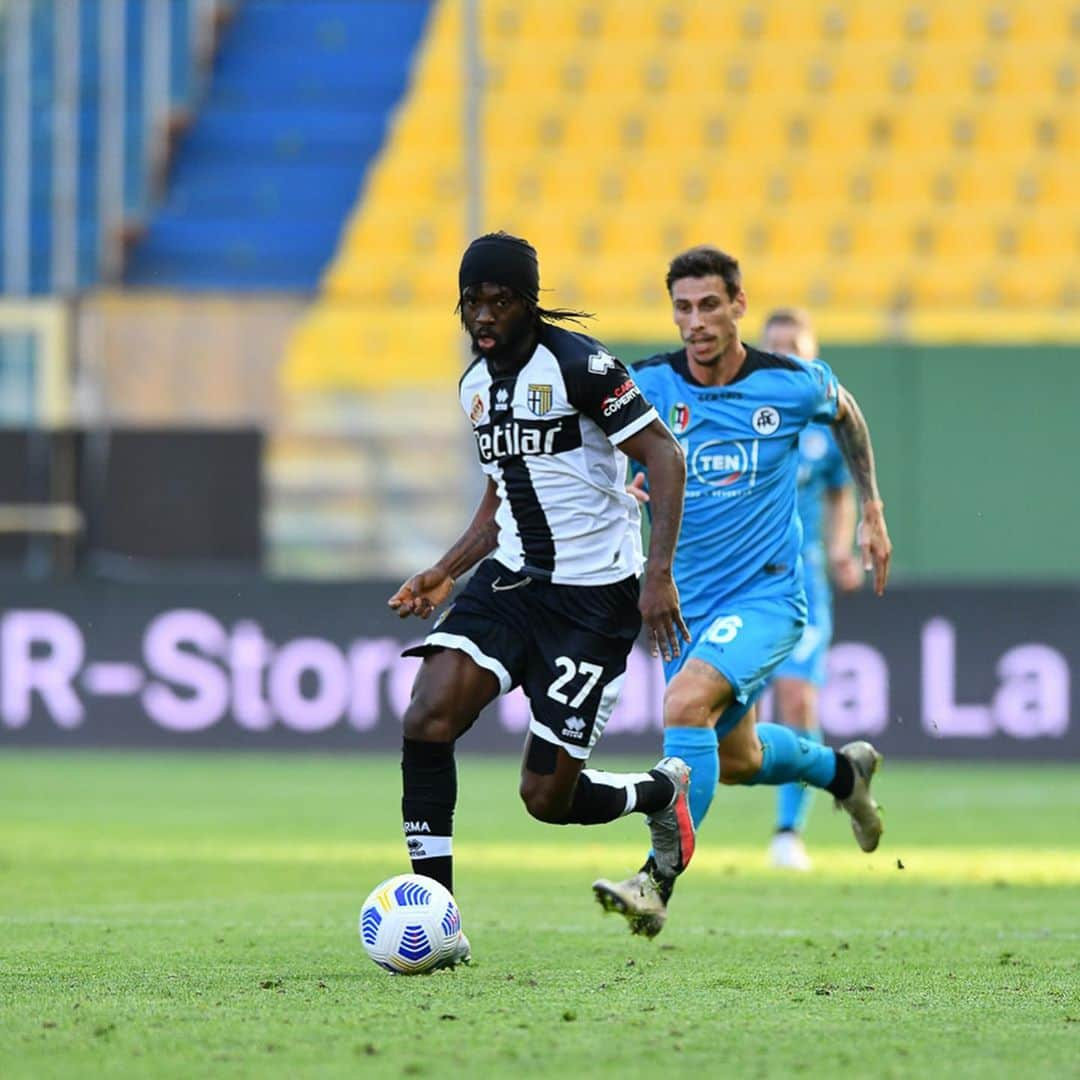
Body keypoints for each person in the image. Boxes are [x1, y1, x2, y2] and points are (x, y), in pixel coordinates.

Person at [389, 232, 696, 966]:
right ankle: (440, 921)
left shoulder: (580, 366)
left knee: (546, 800)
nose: (484, 314)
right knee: (427, 716)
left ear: (528, 301)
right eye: (472, 301)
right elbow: (503, 493)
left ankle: (660, 795)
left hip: (596, 600)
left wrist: (657, 575)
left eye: (500, 300)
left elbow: (663, 454)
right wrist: (446, 570)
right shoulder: (474, 387)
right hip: (513, 582)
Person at [592, 246, 892, 937]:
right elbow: (608, 452)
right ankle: (844, 775)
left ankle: (654, 880)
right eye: (682, 308)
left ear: (738, 306)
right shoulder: (648, 386)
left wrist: (871, 509)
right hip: (683, 607)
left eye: (708, 306)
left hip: (766, 596)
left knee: (683, 702)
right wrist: (622, 483)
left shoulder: (788, 383)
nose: (695, 322)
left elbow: (846, 414)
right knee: (737, 760)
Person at [760, 308, 864, 872]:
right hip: (742, 581)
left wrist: (842, 548)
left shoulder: (826, 424)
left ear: (813, 353)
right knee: (731, 729)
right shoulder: (744, 412)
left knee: (797, 698)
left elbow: (839, 492)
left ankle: (786, 831)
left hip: (803, 584)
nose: (786, 354)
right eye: (776, 346)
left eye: (795, 346)